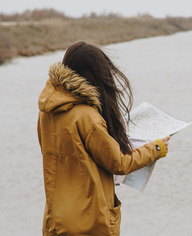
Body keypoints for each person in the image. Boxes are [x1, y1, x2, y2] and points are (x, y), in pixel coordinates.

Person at [37, 41, 171, 235]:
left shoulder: (47, 111)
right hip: (89, 221)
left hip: (55, 220)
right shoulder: (87, 116)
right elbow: (118, 164)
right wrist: (157, 148)